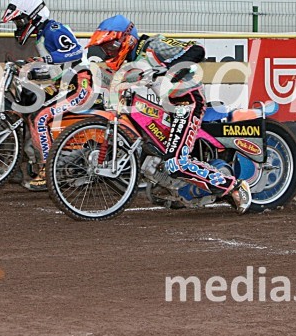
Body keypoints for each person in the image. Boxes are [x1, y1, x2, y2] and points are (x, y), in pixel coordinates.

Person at [87, 15, 253, 214]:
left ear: (126, 39)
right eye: (105, 48)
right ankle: (176, 186)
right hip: (170, 106)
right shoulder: (128, 63)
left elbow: (197, 49)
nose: (108, 51)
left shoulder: (153, 45)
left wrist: (168, 71)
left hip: (188, 102)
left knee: (176, 164)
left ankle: (234, 186)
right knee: (153, 145)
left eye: (111, 46)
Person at [0, 0, 85, 190]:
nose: (18, 26)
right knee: (25, 106)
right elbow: (55, 69)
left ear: (33, 16)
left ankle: (48, 170)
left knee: (39, 118)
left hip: (80, 85)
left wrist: (45, 60)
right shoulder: (42, 35)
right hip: (64, 85)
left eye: (20, 21)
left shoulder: (53, 29)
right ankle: (19, 165)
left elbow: (76, 51)